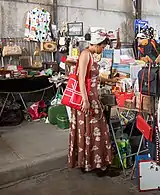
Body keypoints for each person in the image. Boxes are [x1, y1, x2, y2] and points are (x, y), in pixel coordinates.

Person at [68, 33, 120, 177]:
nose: (102, 49)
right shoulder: (85, 55)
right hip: (88, 100)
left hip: (91, 98)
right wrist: (85, 100)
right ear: (96, 44)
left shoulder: (90, 55)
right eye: (102, 47)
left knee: (87, 131)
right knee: (98, 132)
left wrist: (109, 81)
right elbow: (81, 79)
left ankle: (87, 163)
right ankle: (100, 167)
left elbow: (92, 77)